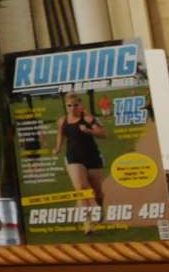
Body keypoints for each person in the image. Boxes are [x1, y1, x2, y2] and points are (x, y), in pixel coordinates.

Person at [55, 91, 108, 233]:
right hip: (73, 157)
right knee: (81, 189)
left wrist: (89, 131)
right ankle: (87, 223)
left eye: (75, 105)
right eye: (69, 105)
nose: (72, 108)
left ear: (80, 105)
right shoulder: (62, 121)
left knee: (97, 192)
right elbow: (60, 134)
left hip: (92, 157)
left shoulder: (88, 118)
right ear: (66, 106)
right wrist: (58, 147)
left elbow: (103, 134)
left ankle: (100, 207)